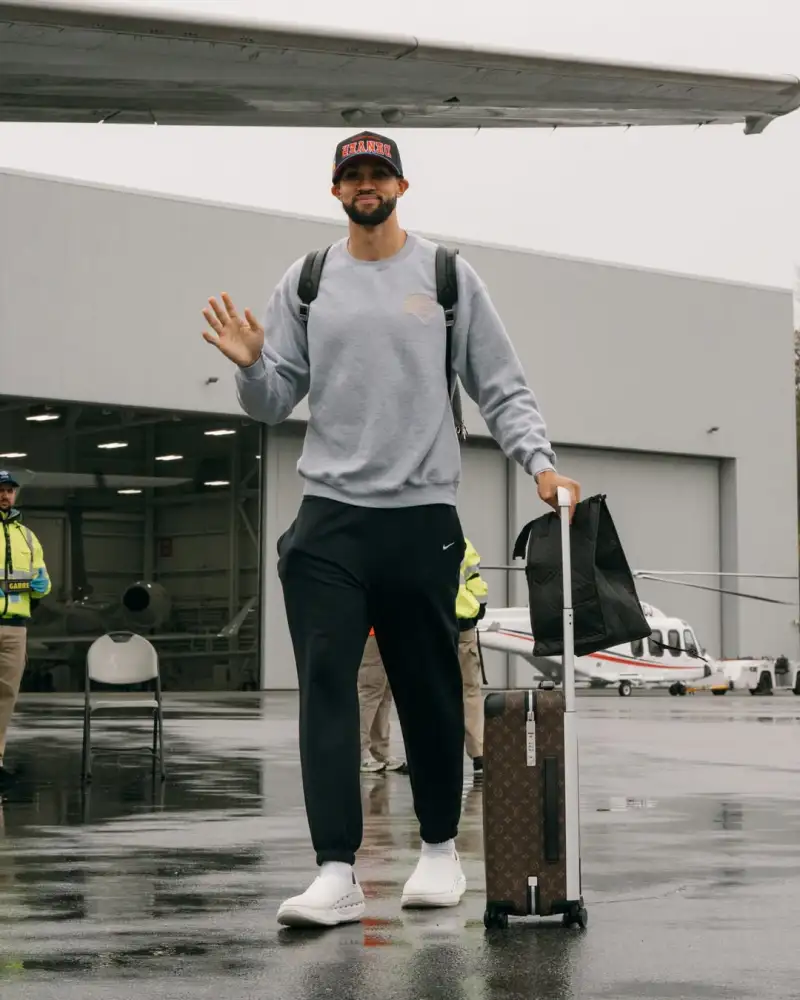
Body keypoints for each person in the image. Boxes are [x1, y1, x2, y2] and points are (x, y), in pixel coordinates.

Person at [201, 130, 580, 929]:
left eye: (378, 173)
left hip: (420, 517)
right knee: (329, 690)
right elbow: (274, 400)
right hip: (331, 518)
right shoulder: (306, 282)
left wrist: (539, 466)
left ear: (401, 187)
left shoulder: (446, 276)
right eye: (352, 175)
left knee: (429, 690)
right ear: (336, 191)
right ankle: (336, 871)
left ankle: (440, 851)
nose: (365, 185)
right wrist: (248, 366)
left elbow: (500, 386)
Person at [0, 471, 51, 787]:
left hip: (16, 628)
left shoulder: (29, 537)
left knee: (5, 696)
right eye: (1, 490)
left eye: (10, 491)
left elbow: (42, 581)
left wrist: (41, 586)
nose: (5, 496)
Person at [456, 537, 489, 778]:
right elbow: (476, 583)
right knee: (469, 689)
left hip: (428, 624)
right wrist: (478, 607)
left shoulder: (414, 538)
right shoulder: (462, 543)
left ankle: (436, 753)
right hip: (462, 625)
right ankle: (478, 754)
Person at [358, 627, 408, 774]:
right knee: (370, 690)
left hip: (391, 631)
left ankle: (380, 749)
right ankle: (361, 751)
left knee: (384, 693)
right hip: (374, 632)